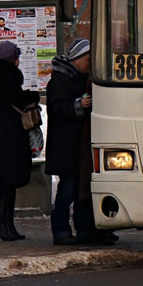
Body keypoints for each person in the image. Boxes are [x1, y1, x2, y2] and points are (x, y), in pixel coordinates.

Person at [46, 38, 114, 245]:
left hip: (79, 148)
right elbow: (56, 109)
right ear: (77, 59)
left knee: (81, 191)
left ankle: (85, 230)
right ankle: (61, 231)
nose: (89, 64)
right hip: (66, 147)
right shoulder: (60, 80)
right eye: (87, 59)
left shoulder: (78, 78)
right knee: (67, 191)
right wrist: (78, 105)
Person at [0, 41, 40, 241]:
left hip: (4, 132)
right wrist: (32, 95)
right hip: (9, 134)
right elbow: (17, 98)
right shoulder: (6, 77)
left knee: (6, 180)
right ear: (10, 59)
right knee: (7, 180)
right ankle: (3, 225)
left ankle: (6, 224)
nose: (19, 61)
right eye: (17, 57)